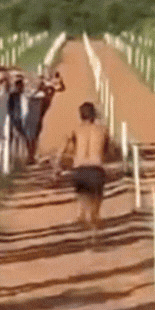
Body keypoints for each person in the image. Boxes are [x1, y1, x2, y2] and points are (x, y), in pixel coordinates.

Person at [56, 101, 109, 236]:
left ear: (80, 116)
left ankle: (83, 235)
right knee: (95, 211)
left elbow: (62, 150)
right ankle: (94, 232)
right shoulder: (103, 130)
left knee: (82, 208)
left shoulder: (74, 130)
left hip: (80, 171)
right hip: (96, 170)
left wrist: (57, 166)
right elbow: (108, 151)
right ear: (94, 115)